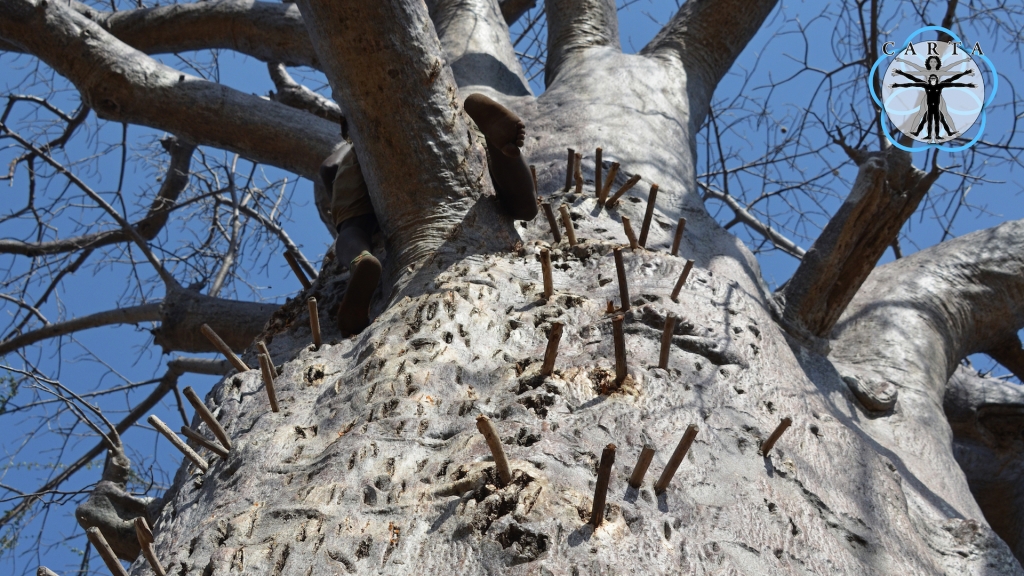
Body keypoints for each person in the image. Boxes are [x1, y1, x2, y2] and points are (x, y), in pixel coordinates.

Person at [320, 93, 537, 335]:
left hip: (361, 155)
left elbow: (329, 167)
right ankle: (496, 145)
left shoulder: (351, 146)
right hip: (451, 132)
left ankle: (360, 260)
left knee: (351, 227)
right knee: (523, 208)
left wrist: (336, 192)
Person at [890, 68, 975, 140]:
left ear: (936, 80)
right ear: (929, 80)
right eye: (931, 79)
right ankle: (925, 134)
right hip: (929, 107)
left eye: (934, 79)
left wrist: (966, 79)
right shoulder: (926, 86)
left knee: (940, 120)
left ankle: (941, 134)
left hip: (937, 107)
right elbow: (912, 81)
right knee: (926, 121)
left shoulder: (940, 86)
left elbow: (954, 81)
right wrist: (899, 79)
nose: (933, 80)